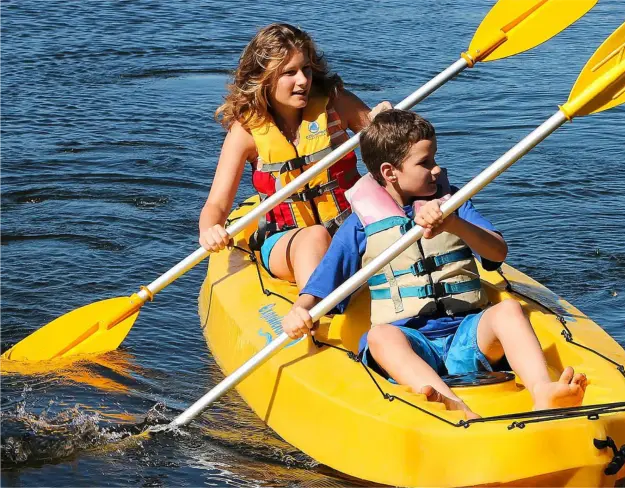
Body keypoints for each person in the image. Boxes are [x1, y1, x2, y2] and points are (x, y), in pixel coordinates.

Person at [281, 110, 587, 418]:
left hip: (467, 334)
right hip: (411, 341)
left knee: (508, 310)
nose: (436, 169)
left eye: (435, 159)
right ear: (390, 172)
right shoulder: (360, 225)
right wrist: (300, 308)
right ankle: (453, 406)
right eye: (424, 163)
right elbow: (323, 283)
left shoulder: (454, 203)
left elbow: (497, 253)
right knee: (379, 337)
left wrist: (454, 224)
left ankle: (542, 390)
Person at [199, 23, 390, 288]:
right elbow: (217, 205)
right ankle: (316, 313)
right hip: (287, 238)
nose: (303, 80)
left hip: (350, 227)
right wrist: (209, 230)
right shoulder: (246, 133)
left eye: (306, 69)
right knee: (314, 237)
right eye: (290, 72)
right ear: (264, 79)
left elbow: (392, 150)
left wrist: (387, 123)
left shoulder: (336, 104)